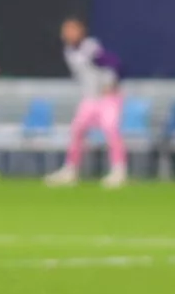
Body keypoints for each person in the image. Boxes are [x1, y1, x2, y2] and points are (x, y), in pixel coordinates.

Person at [46, 17, 127, 187]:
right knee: (77, 130)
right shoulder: (69, 50)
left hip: (107, 98)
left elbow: (114, 63)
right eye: (65, 30)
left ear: (81, 31)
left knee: (111, 130)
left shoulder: (90, 48)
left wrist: (110, 83)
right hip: (89, 98)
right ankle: (71, 170)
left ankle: (118, 171)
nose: (68, 34)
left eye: (72, 30)